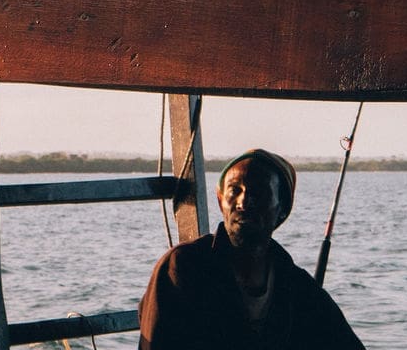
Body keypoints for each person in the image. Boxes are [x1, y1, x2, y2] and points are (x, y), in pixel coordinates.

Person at [138, 148, 364, 350]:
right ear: (220, 201)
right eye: (234, 190)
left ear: (282, 209)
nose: (244, 202)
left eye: (259, 192)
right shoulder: (184, 266)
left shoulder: (296, 286)